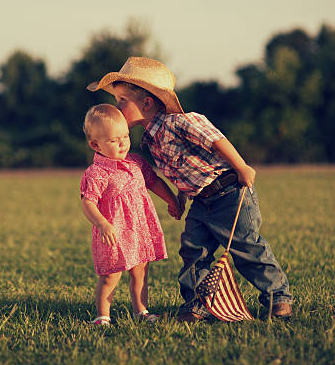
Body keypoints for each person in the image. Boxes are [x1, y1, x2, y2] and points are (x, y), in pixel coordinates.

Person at [87, 57, 293, 322]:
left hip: (229, 193)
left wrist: (241, 166)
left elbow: (216, 140)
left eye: (122, 101)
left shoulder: (182, 122)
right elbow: (179, 171)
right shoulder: (149, 142)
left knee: (246, 248)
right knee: (194, 251)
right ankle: (197, 305)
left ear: (146, 103)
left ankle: (278, 298)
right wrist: (178, 198)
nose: (117, 107)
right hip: (201, 202)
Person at [80, 104, 182, 325]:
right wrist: (102, 223)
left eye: (125, 136)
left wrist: (171, 200)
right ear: (95, 145)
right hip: (114, 233)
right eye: (114, 140)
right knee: (110, 276)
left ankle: (141, 312)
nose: (123, 143)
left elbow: (153, 182)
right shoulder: (97, 173)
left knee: (140, 273)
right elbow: (88, 202)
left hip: (139, 230)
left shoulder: (136, 162)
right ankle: (103, 316)